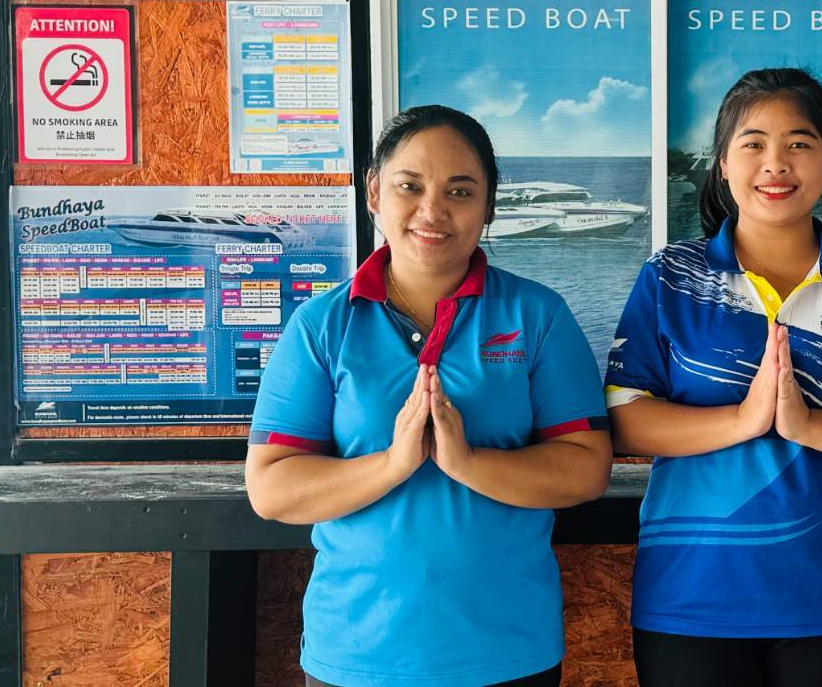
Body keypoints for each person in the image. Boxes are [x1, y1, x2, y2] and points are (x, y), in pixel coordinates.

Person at [245, 105, 612, 687]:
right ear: (374, 192)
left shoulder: (538, 315)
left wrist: (467, 462)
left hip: (508, 650)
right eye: (409, 186)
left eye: (460, 191)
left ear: (490, 205)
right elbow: (272, 488)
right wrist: (392, 464)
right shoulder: (321, 325)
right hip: (358, 654)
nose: (432, 210)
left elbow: (587, 470)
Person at [606, 67, 822, 687]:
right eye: (753, 144)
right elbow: (626, 421)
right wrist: (743, 420)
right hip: (692, 592)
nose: (776, 163)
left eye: (799, 143)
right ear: (722, 163)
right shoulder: (671, 276)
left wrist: (807, 424)